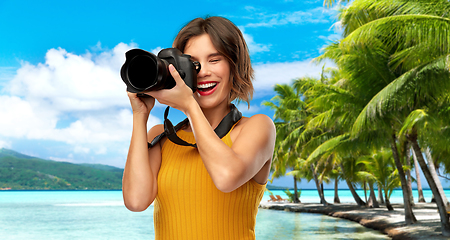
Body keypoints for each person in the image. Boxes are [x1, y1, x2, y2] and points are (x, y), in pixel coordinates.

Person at [122, 16, 276, 240]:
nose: (203, 72)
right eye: (194, 64)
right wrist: (140, 115)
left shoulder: (257, 127)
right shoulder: (160, 137)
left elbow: (226, 177)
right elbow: (136, 201)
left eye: (215, 60)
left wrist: (189, 106)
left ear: (235, 66)